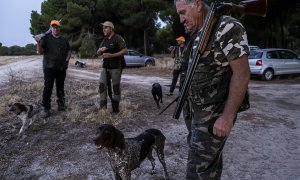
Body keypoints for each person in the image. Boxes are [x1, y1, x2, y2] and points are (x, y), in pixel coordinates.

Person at [174, 0, 251, 179]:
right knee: (205, 168)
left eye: (183, 12)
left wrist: (227, 117)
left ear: (198, 4)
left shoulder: (226, 27)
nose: (181, 19)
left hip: (213, 115)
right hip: (197, 114)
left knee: (198, 172)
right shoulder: (197, 33)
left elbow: (242, 74)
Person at [35, 20, 71, 118]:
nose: (55, 29)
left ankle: (61, 105)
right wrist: (38, 42)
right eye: (53, 27)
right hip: (49, 67)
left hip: (61, 68)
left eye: (57, 27)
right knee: (48, 88)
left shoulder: (64, 39)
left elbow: (69, 51)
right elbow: (40, 52)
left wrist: (67, 61)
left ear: (60, 28)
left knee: (60, 87)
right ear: (51, 28)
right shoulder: (46, 39)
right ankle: (46, 108)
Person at [97, 21, 127, 114]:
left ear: (111, 28)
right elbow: (98, 53)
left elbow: (125, 50)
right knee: (102, 87)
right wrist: (100, 50)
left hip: (116, 67)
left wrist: (112, 55)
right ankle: (103, 110)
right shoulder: (104, 40)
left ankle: (115, 109)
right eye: (103, 28)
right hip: (105, 67)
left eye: (105, 27)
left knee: (116, 88)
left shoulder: (118, 38)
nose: (103, 29)